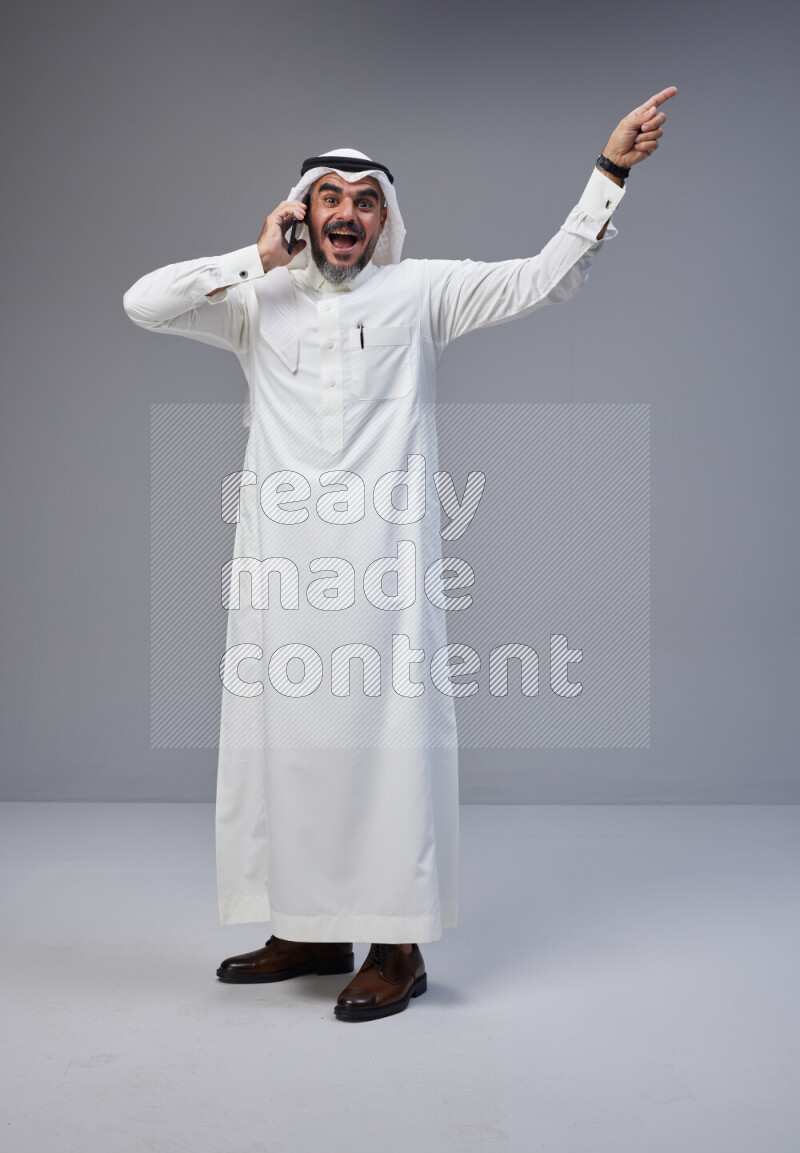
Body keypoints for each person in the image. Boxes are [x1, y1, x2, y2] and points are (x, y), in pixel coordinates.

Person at [123, 86, 676, 1023]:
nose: (346, 214)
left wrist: (609, 171)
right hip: (281, 571)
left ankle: (397, 943)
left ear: (385, 218)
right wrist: (253, 255)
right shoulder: (255, 300)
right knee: (284, 746)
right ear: (302, 213)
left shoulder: (424, 291)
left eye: (364, 199)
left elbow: (543, 273)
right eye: (327, 198)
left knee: (388, 750)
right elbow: (143, 303)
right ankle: (305, 924)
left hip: (385, 569)